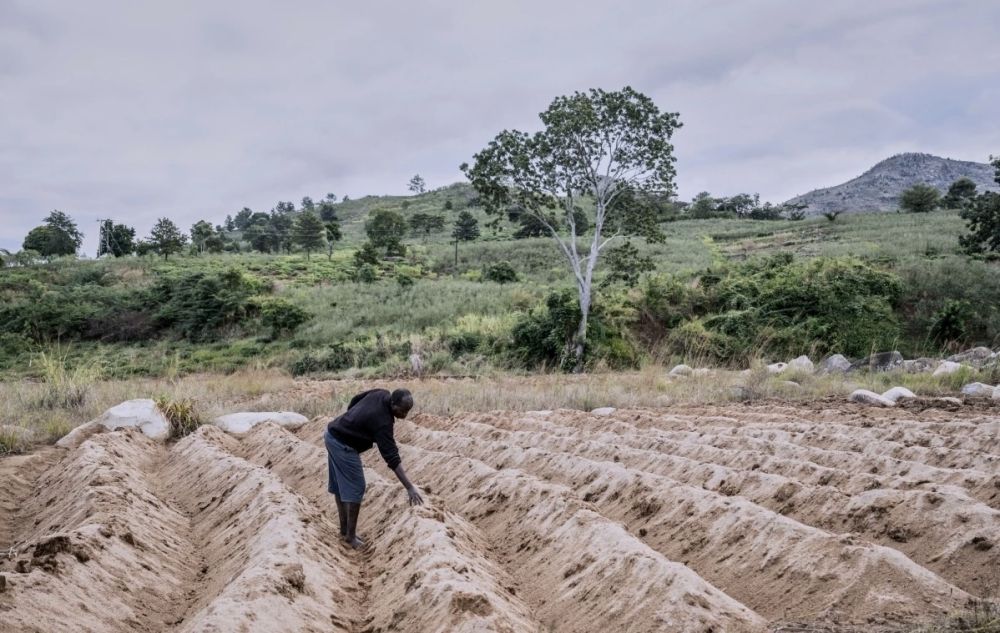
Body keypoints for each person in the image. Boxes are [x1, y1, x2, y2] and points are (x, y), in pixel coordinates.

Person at [325, 388, 423, 549]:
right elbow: (391, 457)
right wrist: (409, 487)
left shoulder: (381, 393)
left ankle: (344, 530)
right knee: (356, 486)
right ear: (393, 403)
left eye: (408, 411)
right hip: (342, 444)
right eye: (403, 411)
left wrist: (352, 420)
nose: (405, 415)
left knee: (339, 485)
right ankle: (350, 537)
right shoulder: (383, 422)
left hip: (332, 433)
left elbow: (356, 398)